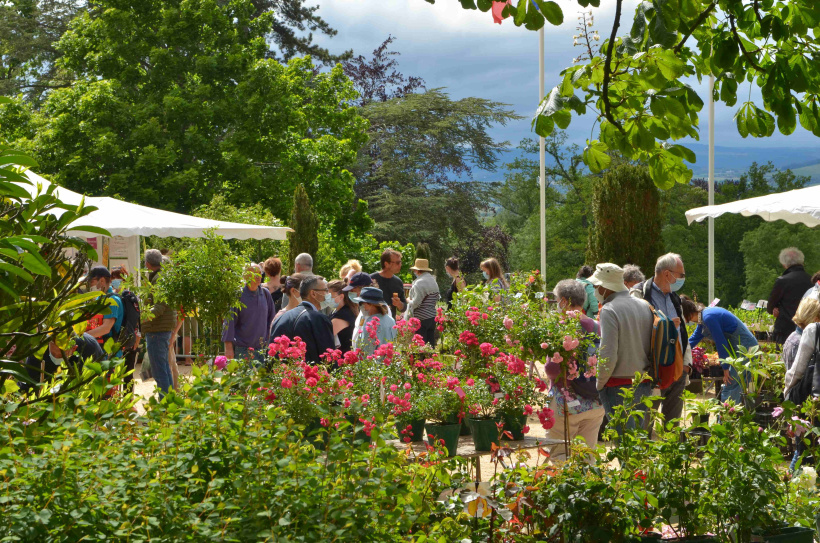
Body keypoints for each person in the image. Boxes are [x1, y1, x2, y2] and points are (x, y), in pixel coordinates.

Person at [628, 253, 692, 424]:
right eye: (681, 275)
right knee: (644, 423)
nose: (683, 279)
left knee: (673, 425)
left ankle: (672, 451)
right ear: (667, 274)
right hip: (651, 369)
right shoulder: (639, 294)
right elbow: (634, 329)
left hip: (676, 367)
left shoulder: (674, 298)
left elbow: (682, 331)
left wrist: (686, 363)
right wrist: (664, 325)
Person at [590, 263, 654, 433]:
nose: (595, 290)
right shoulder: (644, 305)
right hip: (643, 382)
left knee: (624, 441)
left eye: (596, 286)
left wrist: (600, 383)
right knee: (637, 442)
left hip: (617, 384)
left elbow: (608, 352)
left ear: (605, 288)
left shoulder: (609, 309)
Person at [546, 280, 606, 461]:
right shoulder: (597, 326)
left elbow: (551, 370)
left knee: (560, 454)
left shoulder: (561, 327)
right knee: (587, 455)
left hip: (567, 403)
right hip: (595, 402)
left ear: (563, 301)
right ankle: (589, 488)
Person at [682, 296, 758, 404]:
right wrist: (677, 351)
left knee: (732, 383)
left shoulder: (708, 318)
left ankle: (727, 416)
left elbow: (720, 342)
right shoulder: (702, 320)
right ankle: (735, 415)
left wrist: (725, 367)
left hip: (746, 347)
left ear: (687, 314)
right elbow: (692, 341)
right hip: (739, 347)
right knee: (740, 383)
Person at [780, 295, 820, 470]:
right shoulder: (801, 337)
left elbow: (795, 373)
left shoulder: (809, 333)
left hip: (811, 404)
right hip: (808, 405)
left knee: (805, 454)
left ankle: (794, 486)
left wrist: (787, 402)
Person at [270, 275, 335, 365]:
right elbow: (328, 357)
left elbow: (271, 355)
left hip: (282, 375)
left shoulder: (280, 318)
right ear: (313, 293)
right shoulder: (319, 319)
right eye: (325, 291)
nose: (328, 295)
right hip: (311, 375)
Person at [222, 264, 276, 365]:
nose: (258, 277)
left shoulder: (265, 294)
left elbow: (272, 320)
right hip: (243, 350)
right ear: (245, 276)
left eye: (260, 273)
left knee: (261, 380)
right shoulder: (238, 295)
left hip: (262, 350)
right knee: (244, 380)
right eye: (254, 273)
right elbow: (229, 321)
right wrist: (228, 347)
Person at [141, 249, 177, 398]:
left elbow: (159, 307)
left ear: (148, 264)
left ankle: (165, 406)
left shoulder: (159, 279)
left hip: (158, 330)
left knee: (159, 370)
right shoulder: (161, 276)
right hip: (161, 329)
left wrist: (141, 317)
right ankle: (169, 402)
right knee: (163, 368)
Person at [21, 333, 104, 394]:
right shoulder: (39, 349)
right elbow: (27, 381)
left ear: (74, 349)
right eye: (53, 353)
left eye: (60, 355)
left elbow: (96, 383)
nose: (56, 357)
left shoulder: (89, 349)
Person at [768, 247, 813, 344]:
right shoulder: (811, 280)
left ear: (784, 264)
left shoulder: (782, 281)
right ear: (802, 261)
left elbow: (770, 307)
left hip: (785, 330)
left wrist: (775, 308)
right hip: (807, 329)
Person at [85, 266, 125, 355]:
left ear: (102, 280)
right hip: (99, 348)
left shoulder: (112, 301)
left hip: (109, 352)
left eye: (92, 282)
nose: (90, 285)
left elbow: (106, 328)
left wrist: (82, 337)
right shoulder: (100, 298)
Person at [405, 259, 441, 347]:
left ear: (417, 270)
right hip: (432, 317)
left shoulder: (419, 283)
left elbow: (416, 303)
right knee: (430, 346)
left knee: (420, 347)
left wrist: (408, 300)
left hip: (421, 319)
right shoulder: (433, 281)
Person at [351, 287, 397, 355]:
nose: (360, 306)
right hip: (389, 363)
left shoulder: (370, 324)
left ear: (371, 304)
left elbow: (365, 352)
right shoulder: (391, 320)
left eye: (361, 303)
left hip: (373, 363)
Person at [370, 249, 406, 318]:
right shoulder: (371, 279)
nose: (400, 265)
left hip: (390, 324)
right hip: (373, 324)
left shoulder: (398, 282)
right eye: (397, 263)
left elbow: (404, 307)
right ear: (386, 264)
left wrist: (399, 304)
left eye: (400, 262)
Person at [329, 279, 358, 353]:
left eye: (330, 295)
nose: (327, 298)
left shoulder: (344, 314)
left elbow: (326, 334)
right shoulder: (336, 311)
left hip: (343, 357)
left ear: (341, 296)